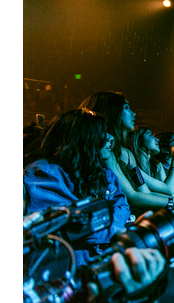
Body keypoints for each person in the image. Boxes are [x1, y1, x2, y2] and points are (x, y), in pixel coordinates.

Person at [23, 108, 130, 265]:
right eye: (102, 132)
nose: (110, 138)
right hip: (65, 267)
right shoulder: (44, 174)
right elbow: (70, 227)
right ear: (84, 138)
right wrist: (114, 226)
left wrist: (101, 223)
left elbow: (123, 206)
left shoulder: (104, 173)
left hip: (99, 260)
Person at [79, 92, 174, 218]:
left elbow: (148, 192)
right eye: (127, 108)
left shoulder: (127, 154)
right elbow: (133, 196)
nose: (133, 113)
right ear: (112, 112)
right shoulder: (105, 151)